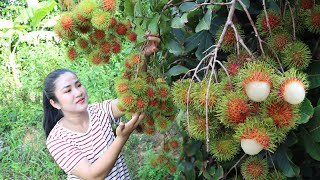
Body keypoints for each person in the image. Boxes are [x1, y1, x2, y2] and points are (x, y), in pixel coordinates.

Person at [43, 33, 160, 179]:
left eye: (78, 85)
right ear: (55, 103)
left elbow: (133, 99)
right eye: (68, 90)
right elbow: (93, 176)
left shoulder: (99, 111)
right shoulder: (57, 140)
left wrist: (142, 56)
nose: (78, 92)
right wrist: (122, 138)